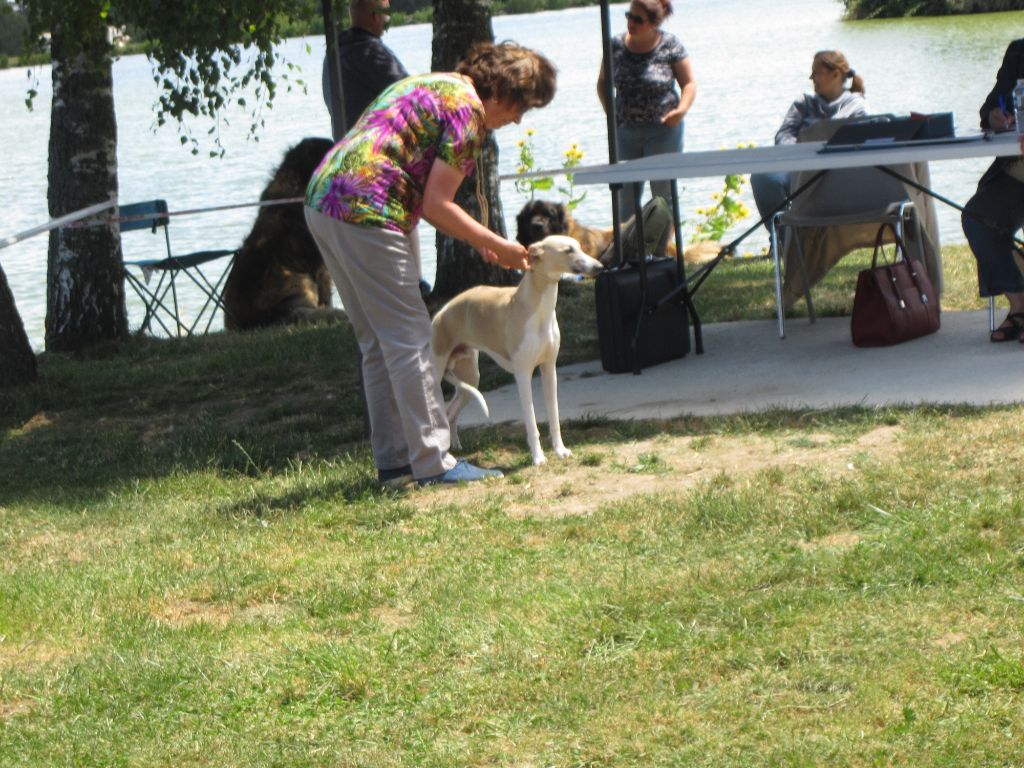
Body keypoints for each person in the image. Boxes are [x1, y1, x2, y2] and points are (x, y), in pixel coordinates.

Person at [305, 42, 557, 487]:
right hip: (368, 208)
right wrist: (495, 243)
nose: (517, 119)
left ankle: (396, 463)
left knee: (378, 343)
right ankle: (433, 462)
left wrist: (477, 238)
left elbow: (406, 171)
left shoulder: (428, 83)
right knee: (410, 339)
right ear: (503, 90)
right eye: (523, 107)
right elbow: (437, 204)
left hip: (324, 200)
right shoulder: (470, 112)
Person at [749, 50, 869, 230]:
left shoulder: (857, 106)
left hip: (840, 173)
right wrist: (800, 152)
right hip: (800, 168)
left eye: (816, 73)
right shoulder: (803, 103)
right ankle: (784, 240)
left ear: (835, 74)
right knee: (763, 177)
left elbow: (863, 143)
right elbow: (783, 135)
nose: (811, 77)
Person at [596, 0, 695, 215]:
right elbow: (603, 83)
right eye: (628, 16)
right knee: (626, 197)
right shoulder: (615, 45)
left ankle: (662, 249)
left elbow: (689, 83)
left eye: (637, 19)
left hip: (663, 131)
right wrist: (610, 113)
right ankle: (630, 247)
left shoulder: (670, 44)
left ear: (653, 23)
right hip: (624, 133)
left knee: (663, 196)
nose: (630, 22)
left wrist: (682, 110)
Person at [962, 39, 1024, 343]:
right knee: (978, 216)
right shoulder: (1019, 52)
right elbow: (991, 106)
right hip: (1016, 174)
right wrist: (993, 117)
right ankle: (1019, 305)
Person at [322, 0, 409, 136]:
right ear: (376, 16)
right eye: (386, 14)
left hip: (344, 145)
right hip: (374, 147)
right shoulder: (372, 53)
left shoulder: (333, 54)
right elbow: (413, 95)